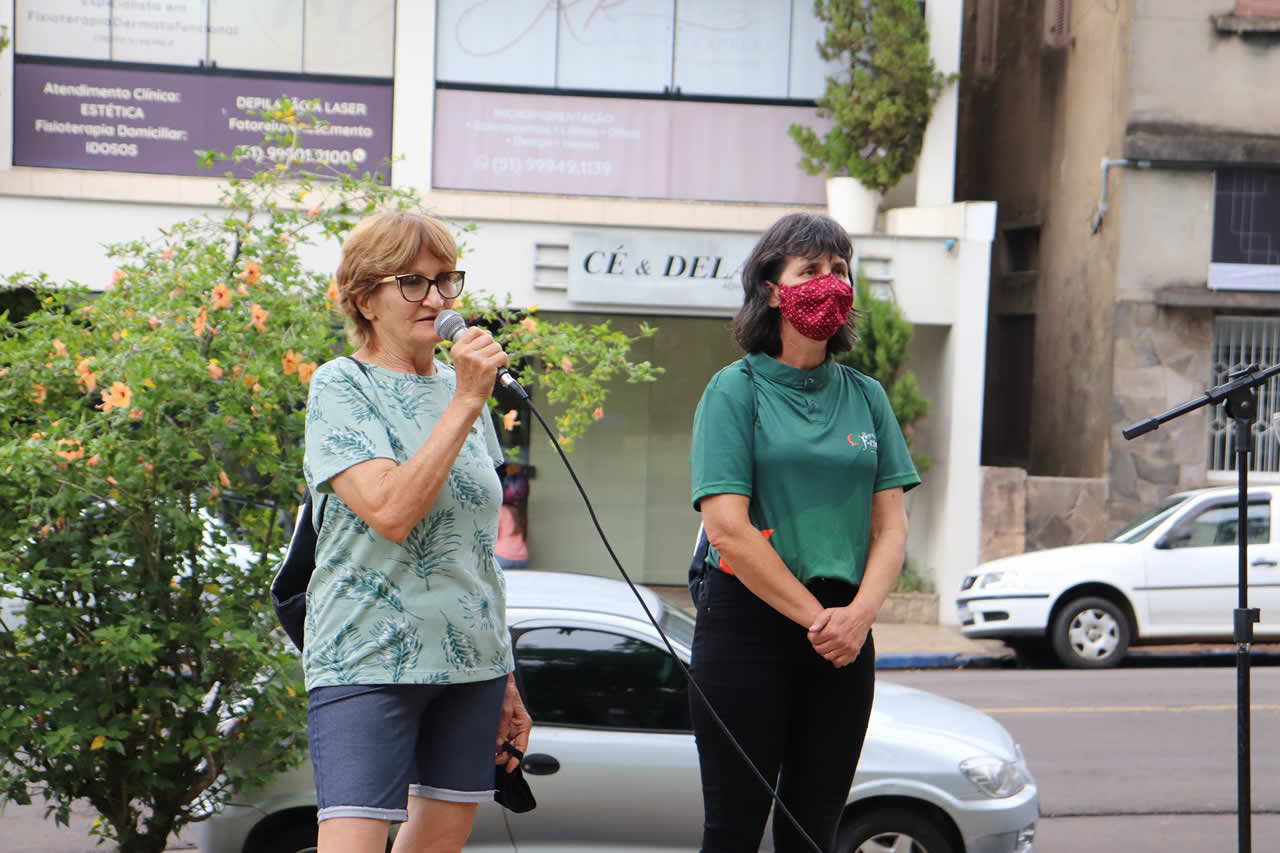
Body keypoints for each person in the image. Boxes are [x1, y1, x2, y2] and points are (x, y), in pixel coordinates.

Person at [688, 212, 920, 853]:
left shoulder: (867, 396)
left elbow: (891, 527)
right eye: (810, 269)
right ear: (771, 289)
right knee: (733, 831)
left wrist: (858, 617)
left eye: (840, 269)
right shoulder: (734, 391)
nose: (830, 282)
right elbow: (727, 530)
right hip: (748, 627)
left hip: (846, 636)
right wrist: (820, 620)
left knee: (812, 832)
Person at [302, 210, 532, 853]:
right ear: (363, 299)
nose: (435, 298)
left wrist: (507, 675)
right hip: (368, 654)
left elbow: (478, 551)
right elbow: (391, 512)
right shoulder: (342, 385)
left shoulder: (464, 394)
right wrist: (466, 400)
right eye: (411, 282)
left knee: (439, 842)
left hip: (471, 661)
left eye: (445, 279)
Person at [494, 473, 529, 570]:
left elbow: (493, 536)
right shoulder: (522, 511)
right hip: (522, 558)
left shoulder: (501, 511)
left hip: (502, 557)